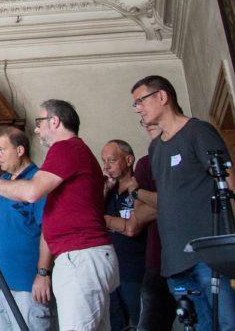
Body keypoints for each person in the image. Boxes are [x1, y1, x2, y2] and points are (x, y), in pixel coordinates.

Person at [0, 100, 117, 331]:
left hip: (79, 254)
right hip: (81, 254)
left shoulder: (66, 148)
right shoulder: (73, 150)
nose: (37, 130)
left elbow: (32, 192)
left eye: (40, 122)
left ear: (55, 121)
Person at [131, 75, 235, 331]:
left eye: (140, 101)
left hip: (210, 255)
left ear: (162, 96)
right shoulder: (155, 149)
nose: (137, 109)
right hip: (175, 262)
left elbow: (231, 185)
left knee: (229, 325)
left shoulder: (198, 131)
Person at [0, 127, 52, 331]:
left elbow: (48, 230)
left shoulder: (38, 181)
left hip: (25, 283)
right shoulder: (1, 183)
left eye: (1, 149)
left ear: (20, 150)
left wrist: (43, 273)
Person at [127, 121, 176, 331]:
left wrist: (138, 193)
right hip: (158, 258)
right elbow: (140, 214)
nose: (148, 125)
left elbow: (192, 200)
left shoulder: (188, 154)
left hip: (197, 255)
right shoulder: (145, 164)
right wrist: (176, 202)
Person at [101, 140, 147, 331]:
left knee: (140, 324)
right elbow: (89, 216)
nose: (106, 167)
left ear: (128, 160)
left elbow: (133, 228)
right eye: (104, 161)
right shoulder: (108, 191)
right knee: (115, 325)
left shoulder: (140, 188)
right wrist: (106, 188)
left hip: (135, 270)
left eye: (112, 160)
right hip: (110, 271)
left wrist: (103, 220)